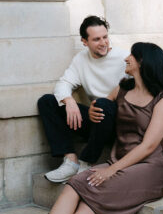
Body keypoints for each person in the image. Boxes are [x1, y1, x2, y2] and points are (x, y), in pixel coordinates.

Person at [1, 42, 163, 214]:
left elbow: (147, 147)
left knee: (93, 195)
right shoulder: (122, 89)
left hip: (148, 168)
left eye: (131, 56)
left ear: (143, 63)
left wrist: (112, 170)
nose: (126, 59)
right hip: (120, 159)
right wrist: (93, 111)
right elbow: (102, 106)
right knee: (76, 182)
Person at [38, 15, 126, 183]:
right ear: (84, 42)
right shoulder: (81, 59)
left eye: (105, 37)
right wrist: (69, 101)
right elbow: (64, 83)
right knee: (47, 101)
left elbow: (139, 89)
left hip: (119, 123)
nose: (103, 43)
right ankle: (71, 161)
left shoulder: (124, 58)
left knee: (102, 104)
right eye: (96, 39)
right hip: (95, 119)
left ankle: (87, 161)